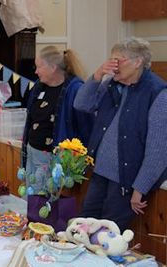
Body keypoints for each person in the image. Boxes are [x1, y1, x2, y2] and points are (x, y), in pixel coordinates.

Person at [74, 37, 167, 230]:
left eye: (119, 60)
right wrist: (98, 74)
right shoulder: (111, 84)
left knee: (108, 236)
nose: (113, 66)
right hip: (100, 173)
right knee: (83, 227)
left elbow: (158, 150)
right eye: (111, 60)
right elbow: (81, 104)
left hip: (126, 181)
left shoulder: (158, 93)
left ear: (137, 62)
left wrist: (140, 188)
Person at [21, 46, 93, 194]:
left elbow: (86, 127)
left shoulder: (75, 89)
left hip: (53, 159)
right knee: (31, 199)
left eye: (39, 66)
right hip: (32, 152)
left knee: (45, 203)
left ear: (53, 67)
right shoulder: (38, 87)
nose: (36, 71)